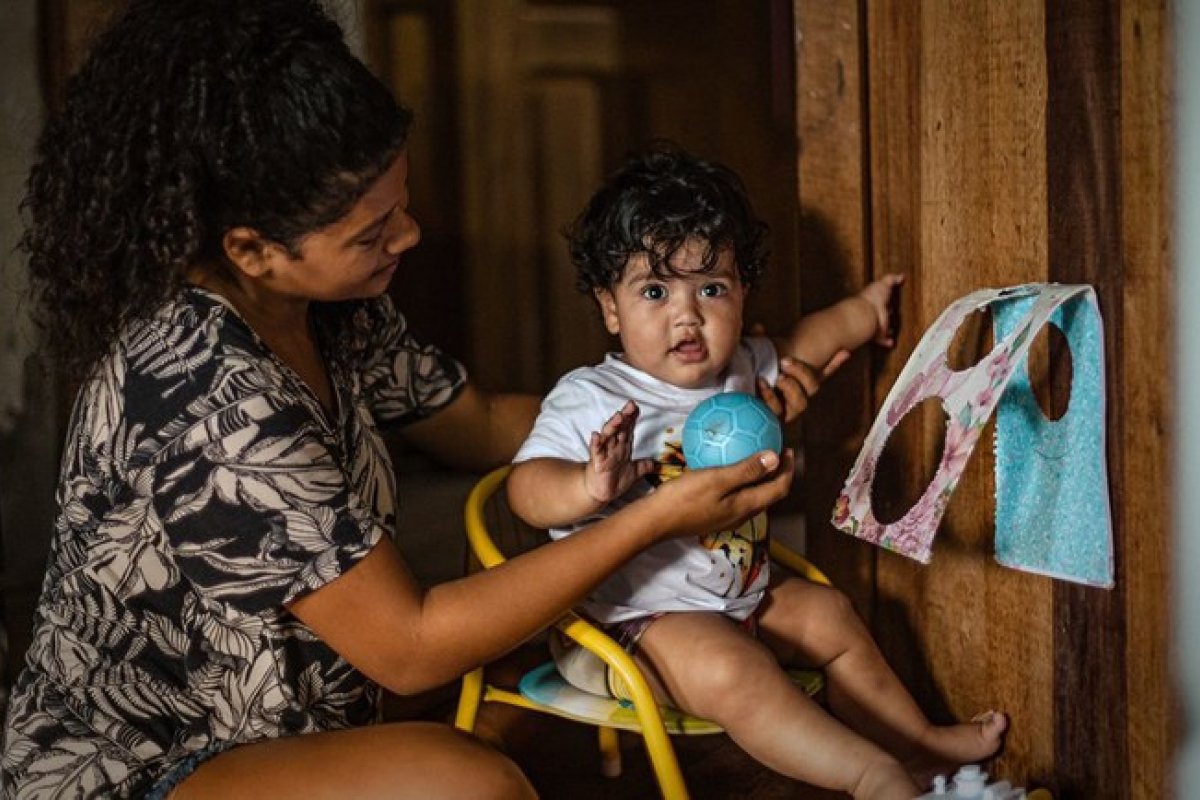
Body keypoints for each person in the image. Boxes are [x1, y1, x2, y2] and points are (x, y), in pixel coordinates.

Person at [0, 5, 803, 798]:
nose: (409, 235)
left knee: (535, 545)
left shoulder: (329, 308)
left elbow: (483, 424)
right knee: (470, 783)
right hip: (150, 765)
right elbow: (410, 645)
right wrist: (655, 515)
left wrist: (680, 398)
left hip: (307, 711)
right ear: (251, 248)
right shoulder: (208, 392)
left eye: (401, 205)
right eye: (372, 230)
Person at [506, 144, 1009, 800]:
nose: (687, 315)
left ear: (742, 291)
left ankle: (916, 746)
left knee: (829, 614)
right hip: (630, 625)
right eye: (654, 291)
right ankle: (868, 776)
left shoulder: (743, 367)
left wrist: (864, 311)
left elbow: (809, 343)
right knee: (730, 668)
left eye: (711, 288)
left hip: (743, 597)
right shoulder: (594, 397)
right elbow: (523, 490)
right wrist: (585, 486)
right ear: (609, 307)